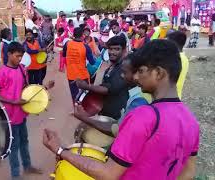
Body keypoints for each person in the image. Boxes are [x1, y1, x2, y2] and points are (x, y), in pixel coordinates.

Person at [43, 40, 199, 180]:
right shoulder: (191, 121)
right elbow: (188, 172)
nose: (136, 77)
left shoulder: (144, 116)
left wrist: (60, 150)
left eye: (141, 71)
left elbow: (108, 173)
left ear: (158, 73)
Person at [0, 42, 54, 179]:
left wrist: (44, 87)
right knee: (13, 146)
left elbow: (28, 89)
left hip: (21, 114)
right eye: (17, 56)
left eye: (21, 56)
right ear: (9, 54)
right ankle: (15, 175)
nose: (20, 59)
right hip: (9, 116)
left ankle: (27, 166)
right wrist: (13, 101)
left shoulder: (22, 69)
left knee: (24, 141)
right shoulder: (2, 72)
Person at [75, 35, 129, 121]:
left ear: (124, 50)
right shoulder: (113, 65)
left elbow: (108, 89)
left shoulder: (124, 68)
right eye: (110, 49)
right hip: (105, 109)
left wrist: (86, 86)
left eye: (117, 49)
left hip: (114, 113)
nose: (112, 52)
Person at [62, 27, 95, 102]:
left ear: (73, 34)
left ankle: (75, 110)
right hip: (82, 76)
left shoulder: (67, 44)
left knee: (74, 95)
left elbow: (64, 55)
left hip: (71, 75)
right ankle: (83, 111)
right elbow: (92, 62)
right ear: (82, 35)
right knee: (84, 95)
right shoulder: (86, 47)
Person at [167, 31, 189, 99]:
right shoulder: (184, 58)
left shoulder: (174, 59)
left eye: (168, 42)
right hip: (175, 96)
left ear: (173, 43)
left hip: (168, 98)